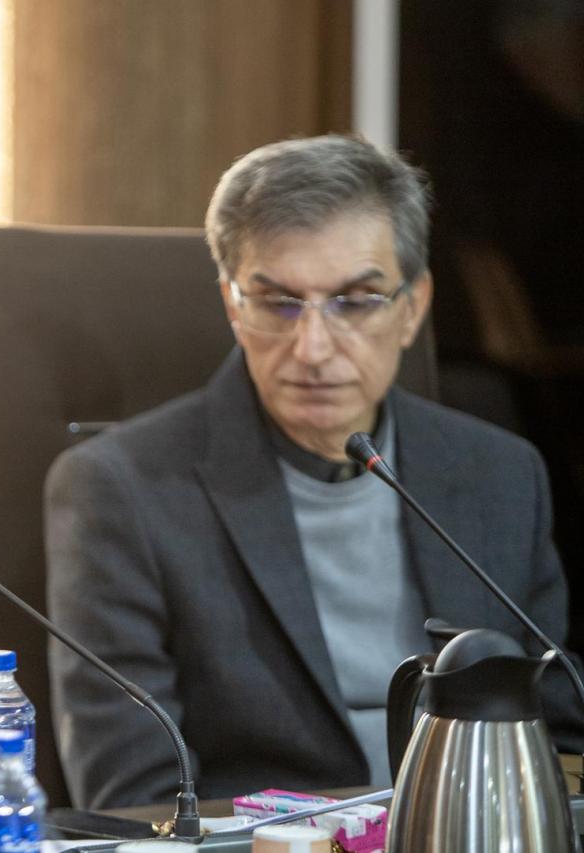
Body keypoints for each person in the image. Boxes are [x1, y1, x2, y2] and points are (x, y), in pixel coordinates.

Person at [45, 135, 584, 808]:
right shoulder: (120, 489)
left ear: (412, 307)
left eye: (355, 301)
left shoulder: (501, 474)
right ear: (233, 305)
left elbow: (560, 744)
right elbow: (137, 800)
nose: (313, 347)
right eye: (278, 302)